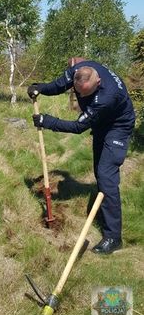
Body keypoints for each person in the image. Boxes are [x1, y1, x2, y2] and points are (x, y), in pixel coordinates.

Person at [28, 59, 135, 254]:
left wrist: (48, 121)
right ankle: (105, 209)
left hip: (118, 127)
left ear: (98, 82)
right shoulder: (80, 69)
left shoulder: (106, 97)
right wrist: (40, 88)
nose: (81, 97)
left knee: (106, 177)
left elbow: (78, 127)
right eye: (79, 92)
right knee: (99, 171)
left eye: (86, 93)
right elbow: (60, 85)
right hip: (101, 124)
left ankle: (113, 237)